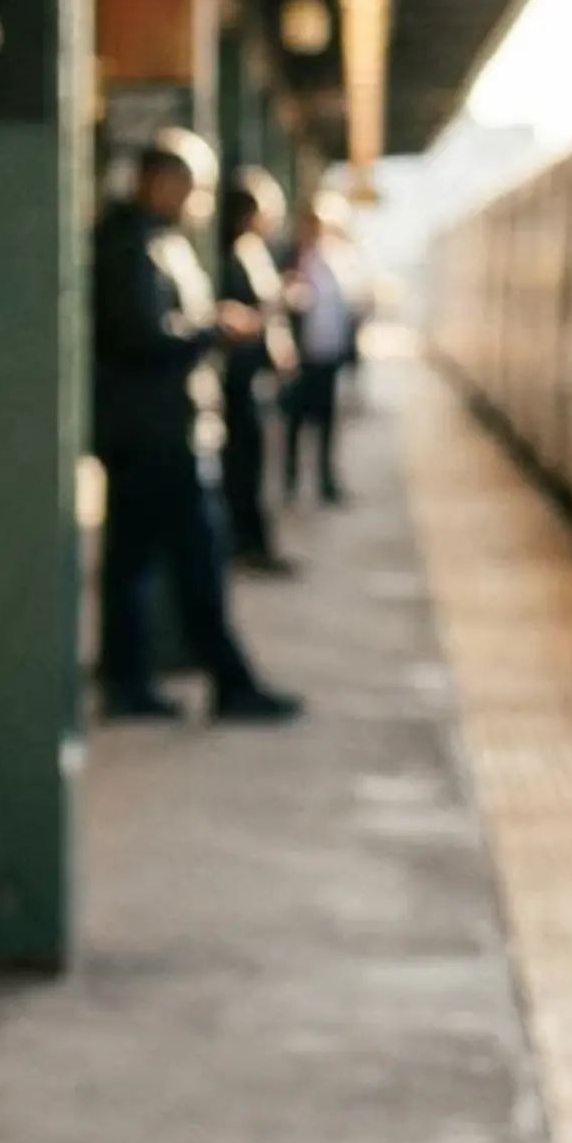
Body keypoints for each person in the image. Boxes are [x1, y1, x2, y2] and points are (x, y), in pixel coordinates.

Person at [89, 131, 302, 724]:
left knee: (132, 564)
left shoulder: (156, 242)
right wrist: (215, 330)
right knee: (196, 559)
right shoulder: (131, 246)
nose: (200, 201)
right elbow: (141, 336)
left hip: (158, 427)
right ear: (160, 182)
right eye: (193, 187)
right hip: (154, 433)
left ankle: (130, 682)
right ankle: (227, 682)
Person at [214, 170, 297, 576]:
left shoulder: (248, 252)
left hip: (250, 377)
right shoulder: (239, 255)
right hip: (240, 379)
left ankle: (253, 542)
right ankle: (248, 544)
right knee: (245, 465)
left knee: (252, 464)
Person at [284, 196, 364, 506]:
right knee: (295, 421)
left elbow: (346, 306)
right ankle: (291, 481)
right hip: (298, 356)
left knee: (327, 422)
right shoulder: (290, 258)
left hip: (327, 354)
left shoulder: (334, 262)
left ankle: (325, 482)